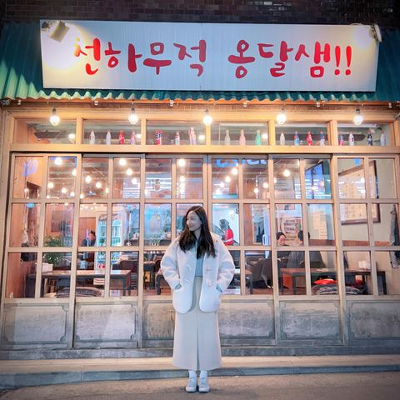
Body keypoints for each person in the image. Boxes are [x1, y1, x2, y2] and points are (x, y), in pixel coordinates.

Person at [161, 206, 235, 393]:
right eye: (187, 219)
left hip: (207, 291)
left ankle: (204, 377)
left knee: (207, 335)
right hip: (186, 291)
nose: (189, 222)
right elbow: (166, 264)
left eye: (193, 219)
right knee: (186, 335)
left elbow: (228, 267)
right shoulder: (180, 242)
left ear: (202, 220)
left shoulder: (215, 241)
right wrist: (176, 284)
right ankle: (191, 375)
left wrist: (218, 287)